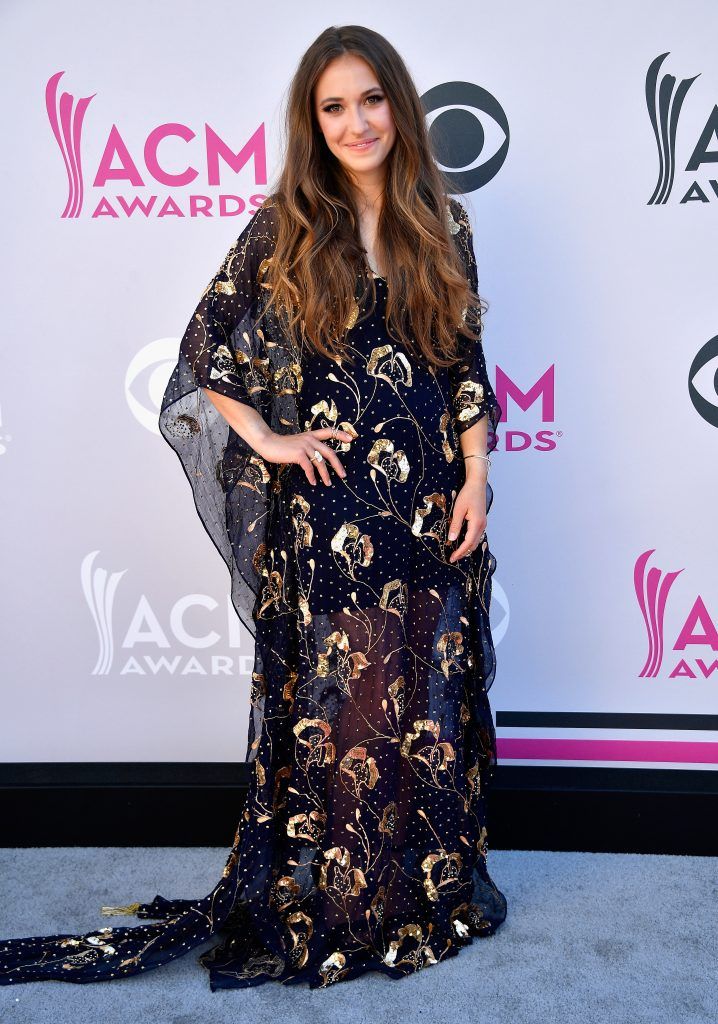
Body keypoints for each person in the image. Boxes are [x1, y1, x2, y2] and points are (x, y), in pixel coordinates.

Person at [0, 24, 507, 990]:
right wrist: (272, 441)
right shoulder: (287, 225)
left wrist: (478, 477)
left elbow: (465, 362)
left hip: (438, 505)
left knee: (432, 706)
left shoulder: (446, 224)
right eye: (333, 106)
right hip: (337, 511)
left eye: (370, 99)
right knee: (357, 709)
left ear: (397, 103)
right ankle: (354, 899)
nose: (356, 122)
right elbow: (206, 348)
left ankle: (420, 887)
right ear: (312, 123)